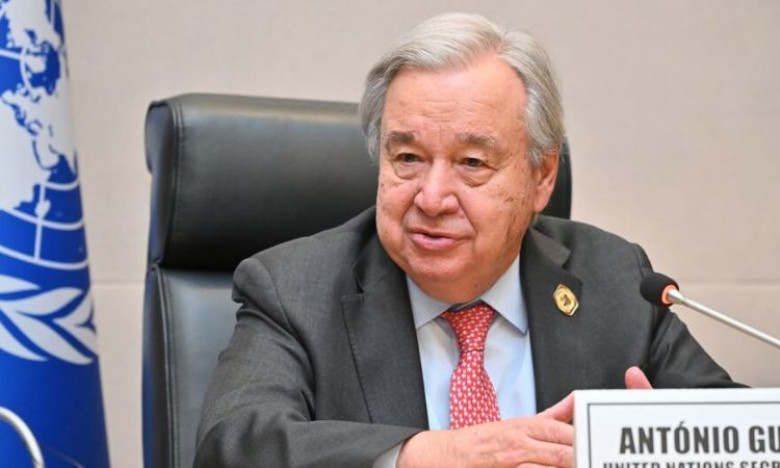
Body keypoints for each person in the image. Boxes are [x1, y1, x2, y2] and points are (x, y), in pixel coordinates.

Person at [194, 13, 737, 468]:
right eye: (408, 158)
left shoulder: (616, 281)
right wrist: (429, 455)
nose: (431, 198)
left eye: (472, 163)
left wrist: (672, 451)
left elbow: (745, 435)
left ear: (542, 177)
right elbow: (232, 446)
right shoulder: (292, 290)